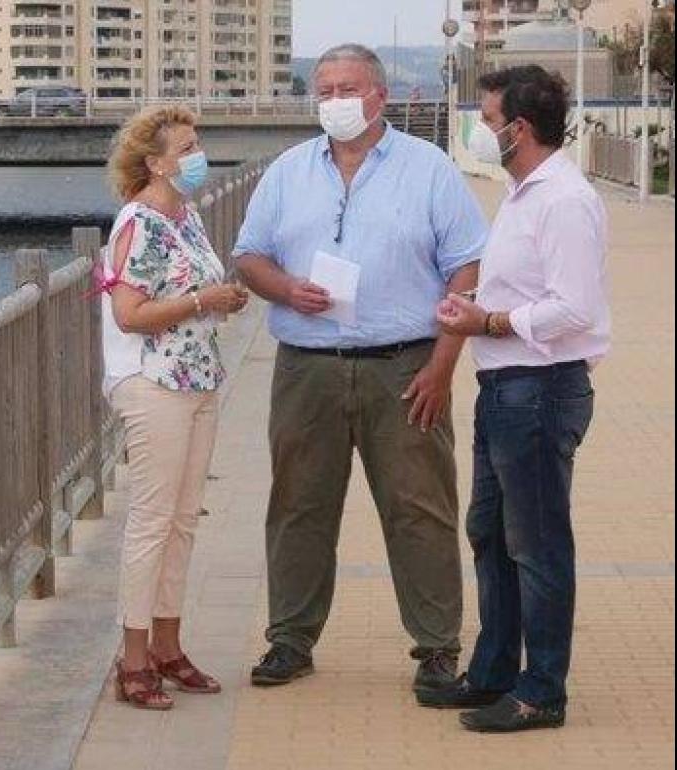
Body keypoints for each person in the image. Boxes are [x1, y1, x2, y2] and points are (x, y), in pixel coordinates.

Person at [232, 43, 490, 694]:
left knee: (419, 508)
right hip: (307, 369)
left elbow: (467, 265)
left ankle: (437, 649)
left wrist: (442, 366)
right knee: (297, 506)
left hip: (404, 367)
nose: (336, 101)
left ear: (379, 95)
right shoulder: (288, 171)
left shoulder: (428, 168)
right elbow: (249, 257)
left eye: (348, 88)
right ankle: (289, 640)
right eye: (324, 90)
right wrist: (285, 288)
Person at [421, 65, 610, 733]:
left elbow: (574, 308)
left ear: (519, 129)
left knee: (537, 544)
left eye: (488, 117)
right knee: (491, 534)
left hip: (539, 387)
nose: (481, 128)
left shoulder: (562, 200)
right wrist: (476, 306)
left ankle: (541, 691)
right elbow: (528, 290)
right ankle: (495, 670)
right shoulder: (523, 192)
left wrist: (489, 323)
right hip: (505, 384)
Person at [100, 104, 250, 710]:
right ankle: (132, 659)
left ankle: (168, 645)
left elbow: (192, 293)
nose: (196, 156)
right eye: (186, 148)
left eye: (197, 143)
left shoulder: (185, 216)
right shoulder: (137, 222)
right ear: (155, 162)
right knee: (152, 519)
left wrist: (219, 301)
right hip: (153, 383)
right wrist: (199, 301)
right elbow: (129, 314)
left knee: (184, 519)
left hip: (197, 379)